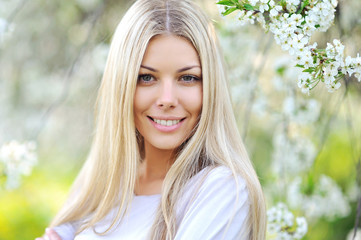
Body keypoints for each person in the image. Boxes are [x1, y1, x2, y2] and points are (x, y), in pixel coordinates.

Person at [37, 0, 267, 239]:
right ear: (122, 85)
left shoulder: (223, 189)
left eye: (188, 78)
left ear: (211, 87)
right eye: (146, 77)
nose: (167, 99)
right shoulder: (104, 184)